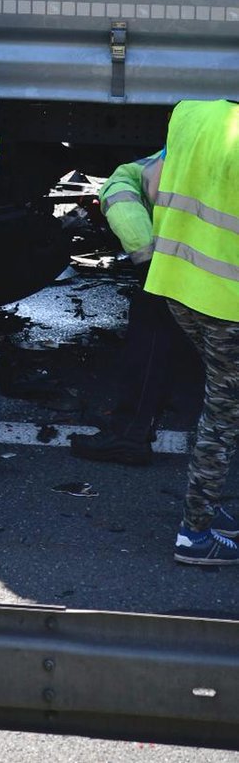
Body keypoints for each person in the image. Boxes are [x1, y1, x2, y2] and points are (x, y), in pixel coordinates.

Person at [144, 98, 239, 565]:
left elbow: (150, 179)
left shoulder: (189, 113)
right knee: (222, 416)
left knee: (225, 402)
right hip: (228, 302)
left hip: (177, 286)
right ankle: (194, 533)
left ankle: (208, 505)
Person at [69, 150, 203, 466]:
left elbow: (123, 187)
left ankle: (131, 435)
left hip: (197, 268)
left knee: (153, 326)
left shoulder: (192, 128)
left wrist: (146, 258)